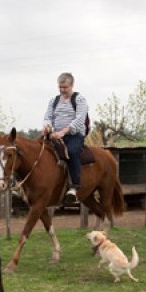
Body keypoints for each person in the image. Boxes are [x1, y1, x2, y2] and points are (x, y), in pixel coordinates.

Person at [43, 72, 89, 206]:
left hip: (74, 135)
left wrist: (63, 132)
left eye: (65, 87)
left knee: (72, 152)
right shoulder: (54, 100)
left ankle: (74, 186)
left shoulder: (80, 99)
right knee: (37, 148)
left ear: (72, 85)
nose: (62, 90)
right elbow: (48, 116)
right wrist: (47, 127)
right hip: (55, 134)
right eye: (60, 87)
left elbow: (79, 119)